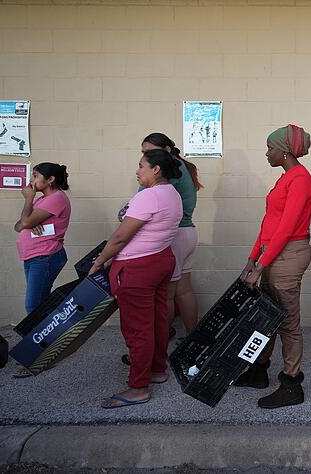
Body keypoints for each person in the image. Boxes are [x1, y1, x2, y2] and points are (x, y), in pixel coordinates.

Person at [89, 149, 183, 408]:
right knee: (157, 320)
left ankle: (139, 387)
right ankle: (157, 370)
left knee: (137, 328)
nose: (137, 171)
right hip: (161, 260)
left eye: (141, 166)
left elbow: (120, 236)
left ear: (156, 169)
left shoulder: (149, 196)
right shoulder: (172, 193)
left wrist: (99, 261)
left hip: (137, 267)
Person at [237, 124, 311, 409]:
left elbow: (286, 228)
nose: (267, 153)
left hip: (288, 255)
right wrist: (252, 258)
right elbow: (269, 222)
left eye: (270, 148)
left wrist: (260, 266)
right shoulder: (286, 178)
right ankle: (259, 371)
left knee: (287, 323)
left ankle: (292, 385)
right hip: (272, 255)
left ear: (284, 152)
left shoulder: (300, 179)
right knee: (266, 317)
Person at [141, 133, 202, 334]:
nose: (147, 157)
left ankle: (161, 338)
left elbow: (141, 203)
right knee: (183, 290)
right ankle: (193, 338)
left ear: (167, 150)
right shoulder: (179, 166)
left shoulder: (168, 170)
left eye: (151, 152)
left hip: (175, 235)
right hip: (187, 232)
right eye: (144, 152)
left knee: (167, 294)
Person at [14, 163, 71, 314]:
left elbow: (25, 222)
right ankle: (43, 329)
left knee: (33, 305)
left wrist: (29, 198)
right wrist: (30, 223)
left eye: (35, 176)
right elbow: (18, 226)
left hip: (45, 256)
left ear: (50, 179)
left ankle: (41, 330)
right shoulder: (43, 200)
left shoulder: (57, 198)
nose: (31, 180)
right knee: (39, 303)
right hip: (34, 256)